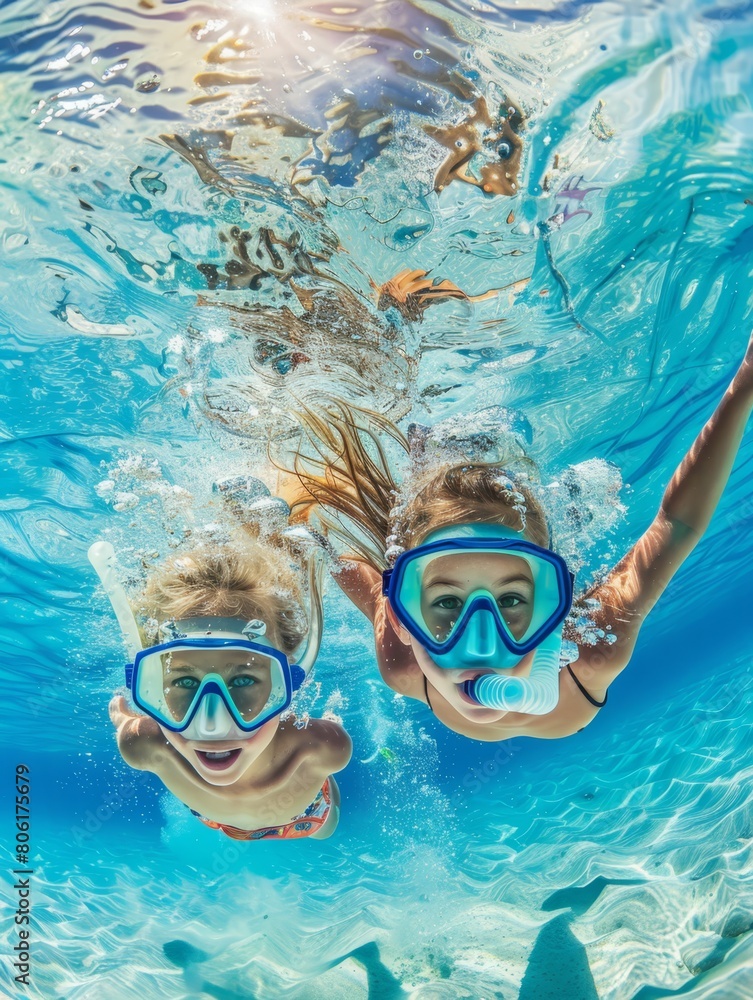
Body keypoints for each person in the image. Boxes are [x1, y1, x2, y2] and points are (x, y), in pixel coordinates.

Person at [281, 331, 753, 741]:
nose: (483, 645)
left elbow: (677, 524)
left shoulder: (587, 654)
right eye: (446, 604)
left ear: (553, 603)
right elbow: (677, 526)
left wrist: (746, 381)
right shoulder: (404, 662)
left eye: (510, 601)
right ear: (405, 620)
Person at [93, 529, 351, 840]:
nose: (213, 724)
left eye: (243, 679)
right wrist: (123, 719)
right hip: (217, 822)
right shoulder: (141, 744)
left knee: (328, 829)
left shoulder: (324, 747)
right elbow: (127, 725)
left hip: (307, 817)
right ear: (150, 685)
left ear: (287, 683)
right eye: (186, 681)